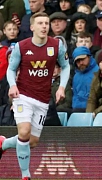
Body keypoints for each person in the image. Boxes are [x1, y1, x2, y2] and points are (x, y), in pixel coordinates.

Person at [0, 12, 70, 180]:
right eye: (40, 23)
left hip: (43, 99)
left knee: (32, 141)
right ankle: (26, 176)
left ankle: (4, 143)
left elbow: (66, 66)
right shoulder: (21, 46)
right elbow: (10, 69)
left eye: (46, 23)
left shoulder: (56, 45)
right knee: (24, 132)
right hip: (23, 95)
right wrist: (13, 85)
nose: (44, 26)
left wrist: (61, 87)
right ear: (32, 27)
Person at [86, 49, 102, 118]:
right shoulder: (95, 78)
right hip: (98, 111)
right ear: (98, 64)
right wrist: (88, 116)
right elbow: (92, 99)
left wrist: (96, 112)